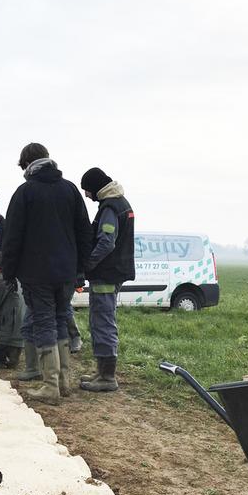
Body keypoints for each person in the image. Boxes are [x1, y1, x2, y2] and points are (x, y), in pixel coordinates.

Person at [2, 143, 92, 405]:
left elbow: (12, 237)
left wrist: (8, 272)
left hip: (36, 272)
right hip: (66, 271)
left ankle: (50, 386)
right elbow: (84, 232)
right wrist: (80, 269)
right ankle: (63, 382)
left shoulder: (25, 192)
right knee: (61, 318)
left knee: (43, 322)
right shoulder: (70, 190)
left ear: (26, 164)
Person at [78, 167, 135, 392]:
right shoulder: (119, 202)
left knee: (102, 322)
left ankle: (107, 377)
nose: (86, 195)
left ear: (95, 188)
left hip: (107, 273)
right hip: (113, 271)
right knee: (103, 320)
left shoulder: (111, 207)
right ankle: (101, 372)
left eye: (86, 190)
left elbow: (106, 242)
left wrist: (88, 264)